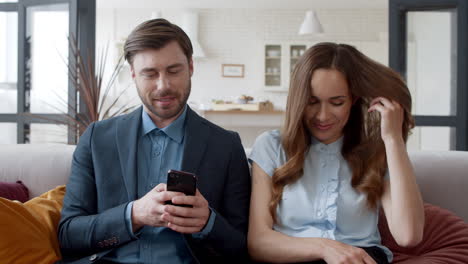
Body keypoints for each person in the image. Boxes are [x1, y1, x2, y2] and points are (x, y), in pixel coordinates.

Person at [58, 18, 251, 263]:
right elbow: (68, 236)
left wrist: (208, 223)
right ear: (133, 74)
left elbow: (242, 246)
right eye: (150, 73)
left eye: (174, 70)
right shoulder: (97, 138)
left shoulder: (226, 146)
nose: (164, 86)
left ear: (191, 66)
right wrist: (134, 215)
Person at [247, 42, 424, 264]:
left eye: (337, 102)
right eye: (312, 102)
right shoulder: (271, 146)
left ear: (353, 100)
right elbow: (259, 242)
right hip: (292, 257)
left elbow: (409, 235)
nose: (322, 116)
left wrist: (393, 139)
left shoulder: (374, 151)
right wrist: (326, 248)